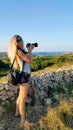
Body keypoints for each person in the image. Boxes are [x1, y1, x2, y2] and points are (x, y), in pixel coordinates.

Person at [8, 34, 34, 126]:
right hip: (24, 77)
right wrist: (30, 51)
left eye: (21, 39)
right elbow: (30, 61)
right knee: (23, 99)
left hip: (24, 75)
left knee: (20, 96)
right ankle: (23, 121)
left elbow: (26, 61)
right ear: (15, 43)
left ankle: (17, 113)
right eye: (18, 40)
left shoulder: (21, 51)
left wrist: (28, 50)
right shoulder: (19, 51)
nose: (21, 41)